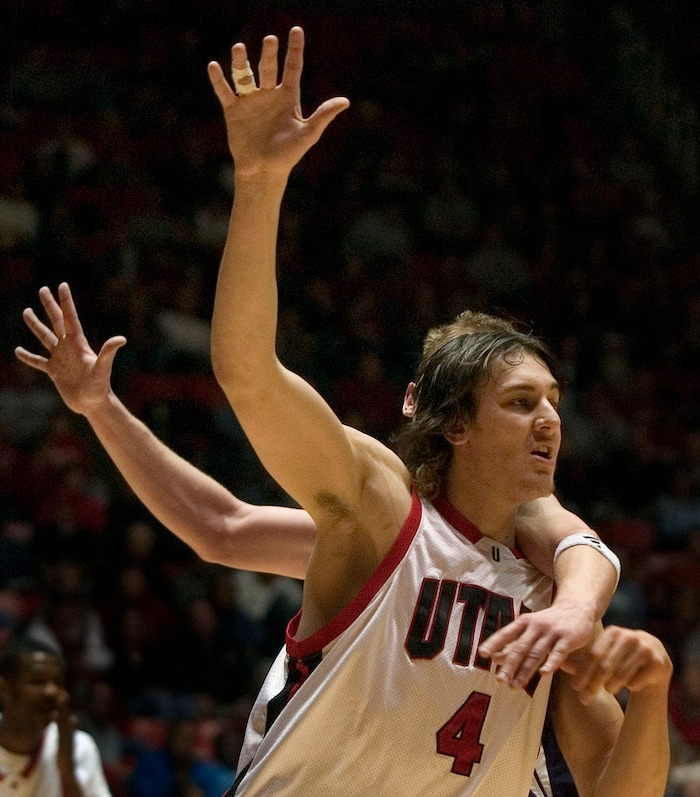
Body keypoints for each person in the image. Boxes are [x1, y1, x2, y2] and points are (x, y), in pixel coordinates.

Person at [204, 26, 671, 795]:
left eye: (554, 401)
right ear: (454, 422)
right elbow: (248, 375)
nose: (550, 420)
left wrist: (652, 692)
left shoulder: (550, 600)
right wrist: (259, 182)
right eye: (521, 403)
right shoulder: (382, 508)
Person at [0, 634, 112, 797]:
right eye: (37, 681)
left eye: (58, 682)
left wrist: (67, 773)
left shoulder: (79, 747)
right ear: (4, 688)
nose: (52, 691)